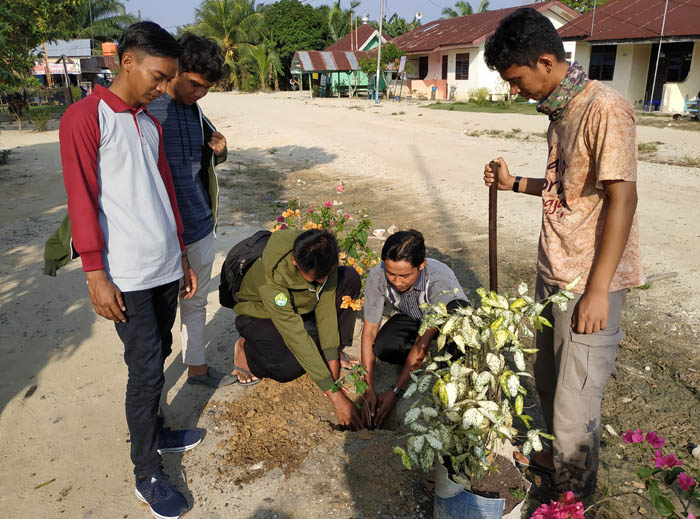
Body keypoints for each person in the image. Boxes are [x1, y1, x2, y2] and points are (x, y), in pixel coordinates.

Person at [482, 8, 644, 498]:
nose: (514, 91)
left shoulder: (604, 109)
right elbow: (568, 188)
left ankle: (571, 501)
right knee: (549, 383)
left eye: (516, 79)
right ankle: (556, 459)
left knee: (577, 403)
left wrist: (598, 292)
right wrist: (514, 185)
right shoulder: (560, 108)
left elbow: (623, 197)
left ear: (547, 62)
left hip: (589, 284)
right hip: (553, 272)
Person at [59, 22, 202, 519]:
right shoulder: (85, 116)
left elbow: (165, 194)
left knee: (159, 352)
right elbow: (81, 198)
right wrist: (95, 273)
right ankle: (147, 472)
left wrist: (181, 254)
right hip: (127, 276)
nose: (163, 89)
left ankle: (158, 431)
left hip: (164, 266)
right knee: (144, 370)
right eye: (159, 77)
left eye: (169, 80)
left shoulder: (148, 122)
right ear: (128, 63)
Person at [147, 33, 234, 388]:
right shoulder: (147, 110)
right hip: (161, 235)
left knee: (196, 304)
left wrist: (221, 151)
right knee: (157, 318)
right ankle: (151, 391)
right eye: (195, 84)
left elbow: (207, 156)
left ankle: (196, 368)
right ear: (176, 69)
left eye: (207, 89)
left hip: (199, 225)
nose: (200, 94)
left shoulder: (197, 112)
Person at [231, 229, 364, 430]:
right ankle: (245, 349)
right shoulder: (273, 279)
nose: (321, 282)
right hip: (259, 313)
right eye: (314, 278)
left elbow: (326, 309)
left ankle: (332, 352)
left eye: (325, 276)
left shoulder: (322, 253)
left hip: (300, 304)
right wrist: (335, 397)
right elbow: (296, 335)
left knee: (350, 278)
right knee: (286, 368)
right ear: (295, 261)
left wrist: (332, 365)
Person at [360, 230, 469, 427]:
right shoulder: (377, 275)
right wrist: (368, 388)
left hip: (448, 317)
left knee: (454, 360)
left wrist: (395, 391)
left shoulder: (438, 281)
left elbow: (422, 340)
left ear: (421, 265)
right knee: (384, 347)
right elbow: (369, 331)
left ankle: (445, 361)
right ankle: (417, 362)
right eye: (390, 273)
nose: (396, 281)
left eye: (404, 276)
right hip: (413, 315)